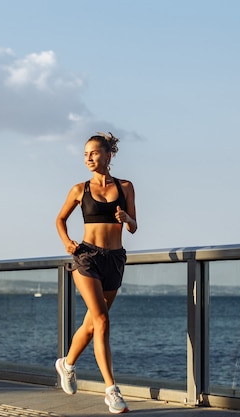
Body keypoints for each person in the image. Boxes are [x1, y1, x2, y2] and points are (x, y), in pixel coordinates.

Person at [55, 132, 137, 414]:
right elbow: (60, 218)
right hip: (87, 257)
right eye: (85, 154)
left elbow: (134, 226)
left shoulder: (125, 187)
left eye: (93, 153)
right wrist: (67, 242)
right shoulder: (80, 189)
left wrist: (127, 219)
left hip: (114, 260)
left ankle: (66, 364)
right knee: (102, 320)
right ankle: (112, 390)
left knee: (92, 325)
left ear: (108, 155)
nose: (88, 158)